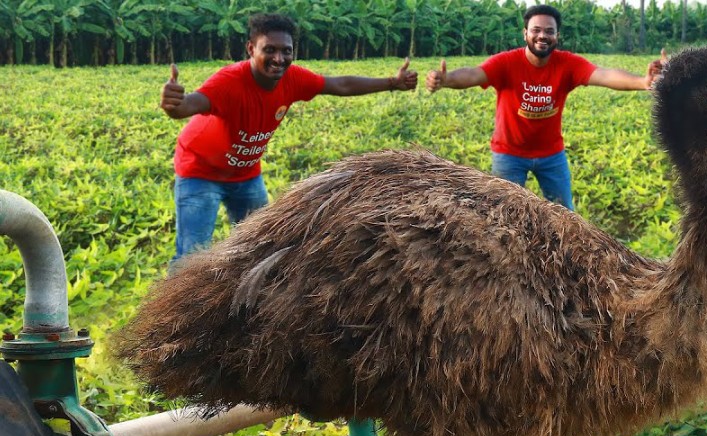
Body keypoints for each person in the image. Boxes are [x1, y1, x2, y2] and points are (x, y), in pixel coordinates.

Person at [161, 12, 418, 264]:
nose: (279, 58)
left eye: (286, 51)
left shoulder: (293, 79)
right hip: (200, 172)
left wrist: (391, 83)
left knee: (258, 247)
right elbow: (188, 106)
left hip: (246, 174)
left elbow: (341, 85)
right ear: (251, 49)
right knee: (190, 258)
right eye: (269, 50)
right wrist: (175, 105)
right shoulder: (229, 82)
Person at [425, 4, 663, 211]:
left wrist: (642, 82)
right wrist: (446, 80)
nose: (542, 36)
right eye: (536, 30)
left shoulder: (568, 64)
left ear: (557, 36)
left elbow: (603, 74)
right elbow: (474, 74)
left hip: (551, 155)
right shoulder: (507, 62)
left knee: (563, 216)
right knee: (502, 214)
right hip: (509, 154)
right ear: (525, 33)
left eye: (549, 31)